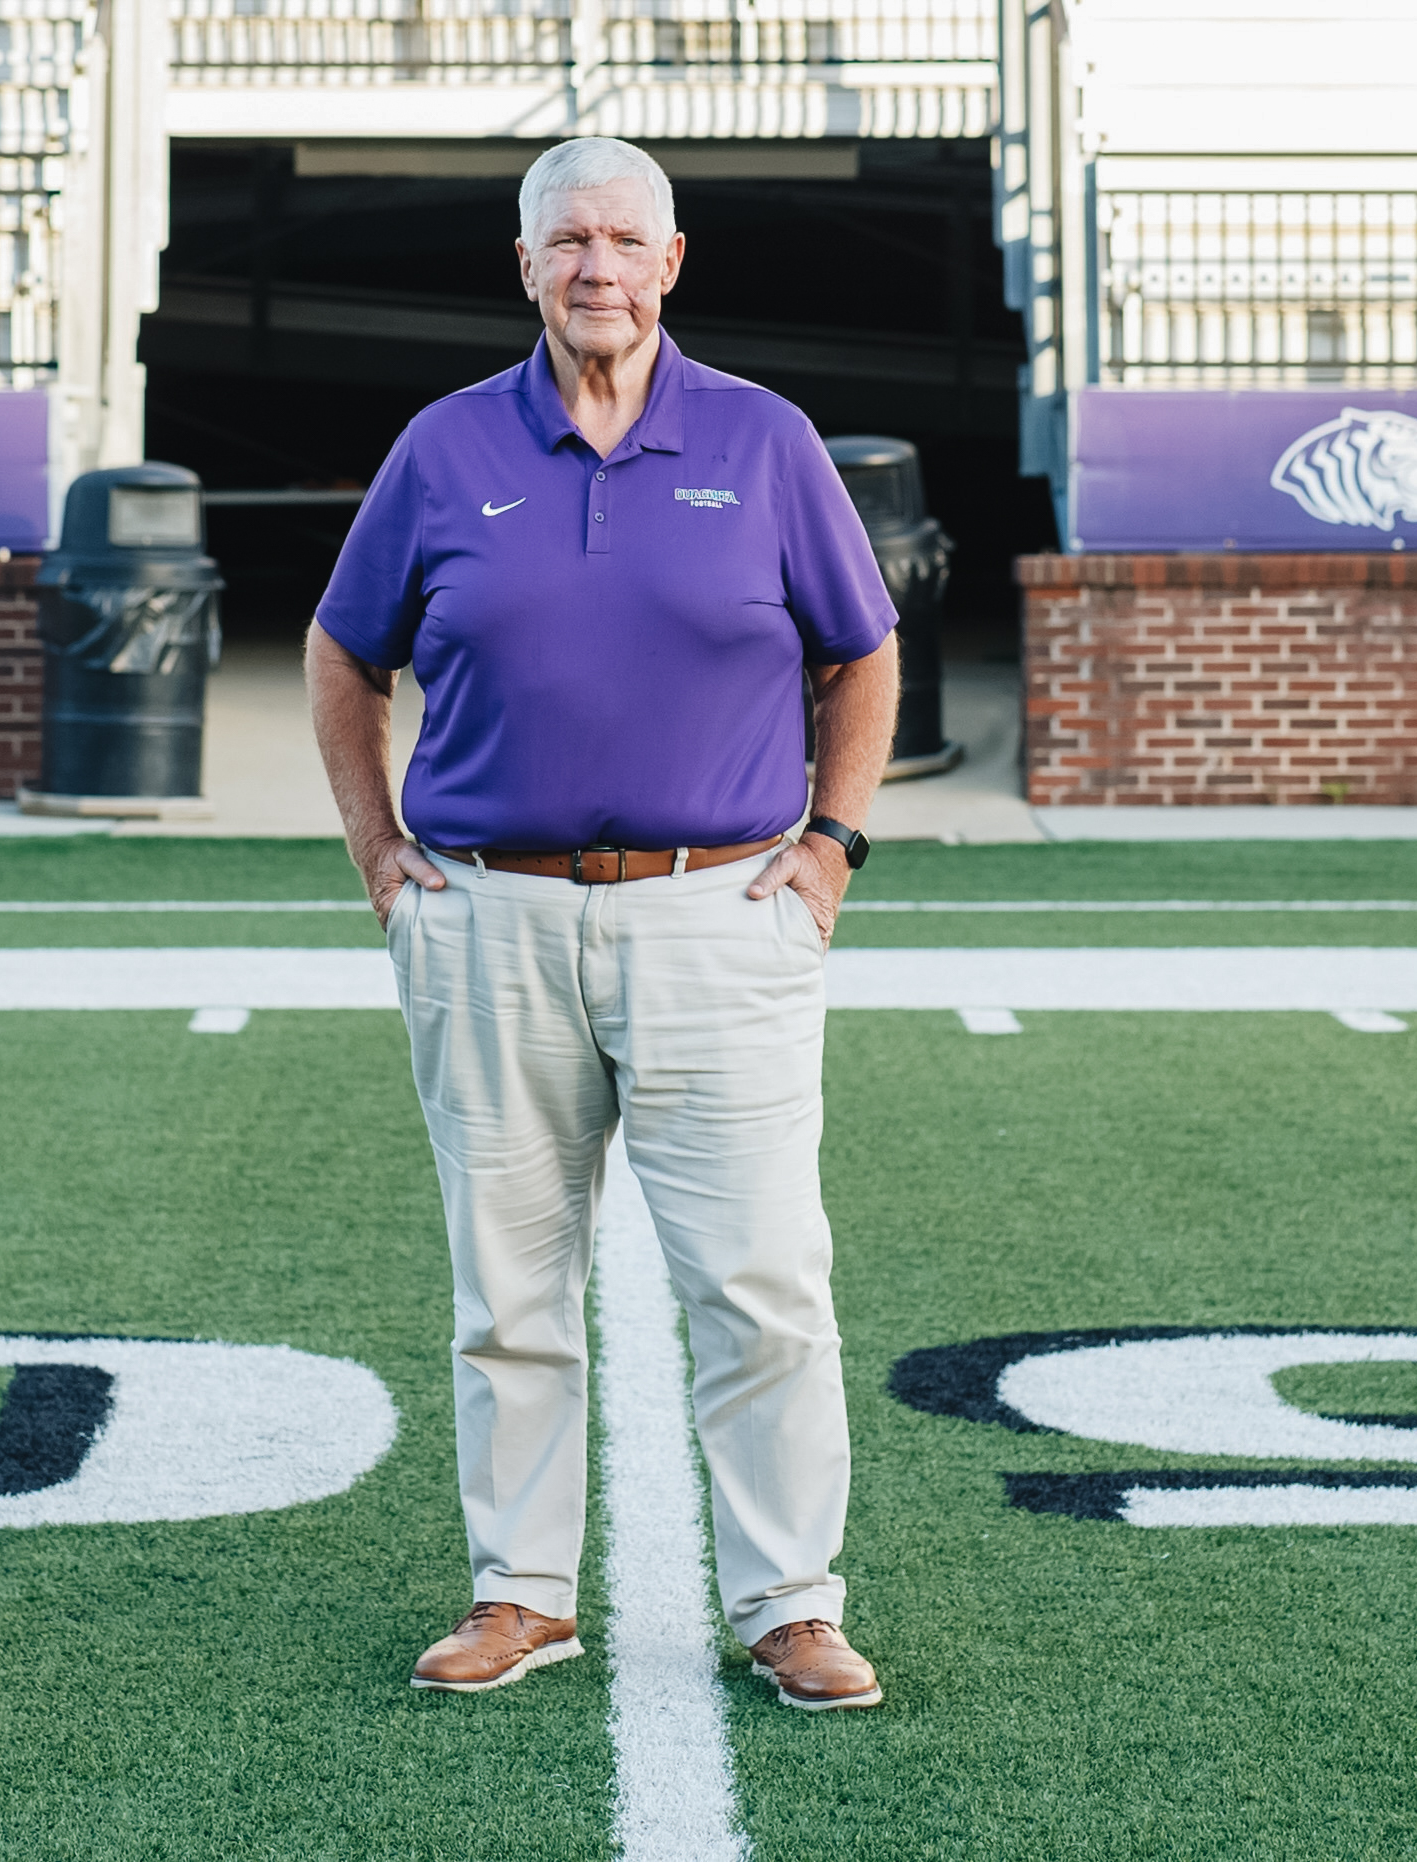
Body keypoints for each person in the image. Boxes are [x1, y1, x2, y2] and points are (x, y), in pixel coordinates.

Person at [305, 136, 902, 1712]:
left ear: (671, 263)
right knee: (508, 1286)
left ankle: (789, 1601)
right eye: (567, 240)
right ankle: (520, 1594)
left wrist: (832, 843)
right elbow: (341, 652)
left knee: (763, 1277)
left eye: (624, 240)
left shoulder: (765, 441)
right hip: (489, 918)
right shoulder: (442, 449)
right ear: (525, 267)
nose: (596, 267)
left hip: (722, 912)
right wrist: (378, 852)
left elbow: (864, 654)